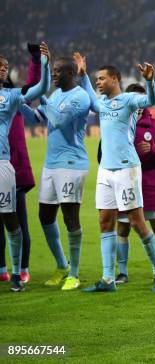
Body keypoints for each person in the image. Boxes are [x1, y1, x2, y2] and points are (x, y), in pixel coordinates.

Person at [73, 52, 155, 292]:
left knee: (137, 222)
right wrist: (83, 76)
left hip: (127, 168)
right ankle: (107, 279)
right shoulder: (102, 103)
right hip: (106, 169)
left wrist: (149, 81)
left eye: (102, 79)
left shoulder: (129, 100)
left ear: (115, 79)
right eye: (97, 80)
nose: (98, 82)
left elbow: (152, 101)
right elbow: (91, 96)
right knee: (105, 221)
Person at [35, 54, 90, 291]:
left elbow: (57, 120)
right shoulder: (56, 95)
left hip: (71, 164)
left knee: (70, 218)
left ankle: (75, 274)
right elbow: (39, 117)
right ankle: (61, 265)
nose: (53, 75)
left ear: (70, 73)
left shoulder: (81, 96)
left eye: (57, 71)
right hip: (50, 164)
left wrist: (39, 96)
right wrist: (18, 106)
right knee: (45, 216)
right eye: (53, 71)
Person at [114, 83, 155, 285]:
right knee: (123, 228)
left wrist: (152, 148)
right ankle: (122, 273)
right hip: (126, 182)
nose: (138, 105)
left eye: (141, 99)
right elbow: (103, 153)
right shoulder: (118, 124)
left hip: (150, 183)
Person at [0, 42, 51, 291]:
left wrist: (40, 64)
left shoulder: (11, 99)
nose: (3, 68)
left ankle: (20, 272)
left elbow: (36, 88)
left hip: (6, 166)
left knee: (13, 221)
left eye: (5, 67)